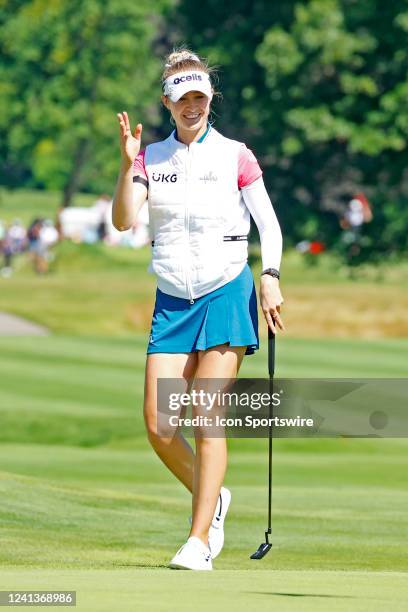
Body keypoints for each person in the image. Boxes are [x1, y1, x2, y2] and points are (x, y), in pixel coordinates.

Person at [112, 49, 285, 571]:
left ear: (210, 100)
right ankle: (215, 501)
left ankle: (198, 541)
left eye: (200, 98)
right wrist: (126, 167)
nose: (193, 107)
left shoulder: (236, 155)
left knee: (208, 412)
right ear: (168, 104)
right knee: (160, 427)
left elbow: (269, 225)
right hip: (171, 300)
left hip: (226, 290)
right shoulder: (152, 159)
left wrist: (270, 278)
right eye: (183, 99)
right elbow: (123, 220)